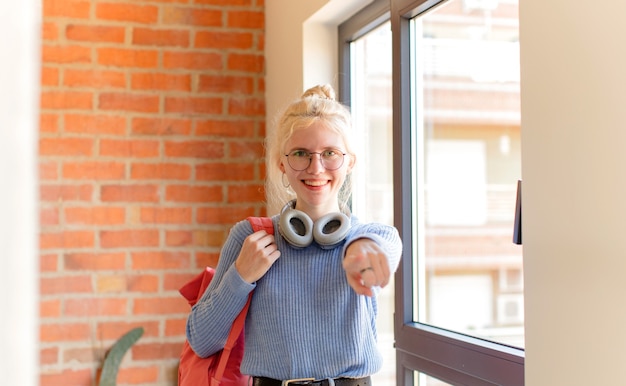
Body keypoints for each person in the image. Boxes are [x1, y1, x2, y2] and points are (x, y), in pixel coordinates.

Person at [185, 84, 403, 385]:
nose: (316, 168)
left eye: (330, 153)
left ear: (349, 162)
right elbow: (201, 340)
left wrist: (363, 252)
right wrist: (241, 276)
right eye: (301, 153)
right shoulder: (250, 238)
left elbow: (382, 254)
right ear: (282, 163)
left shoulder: (372, 236)